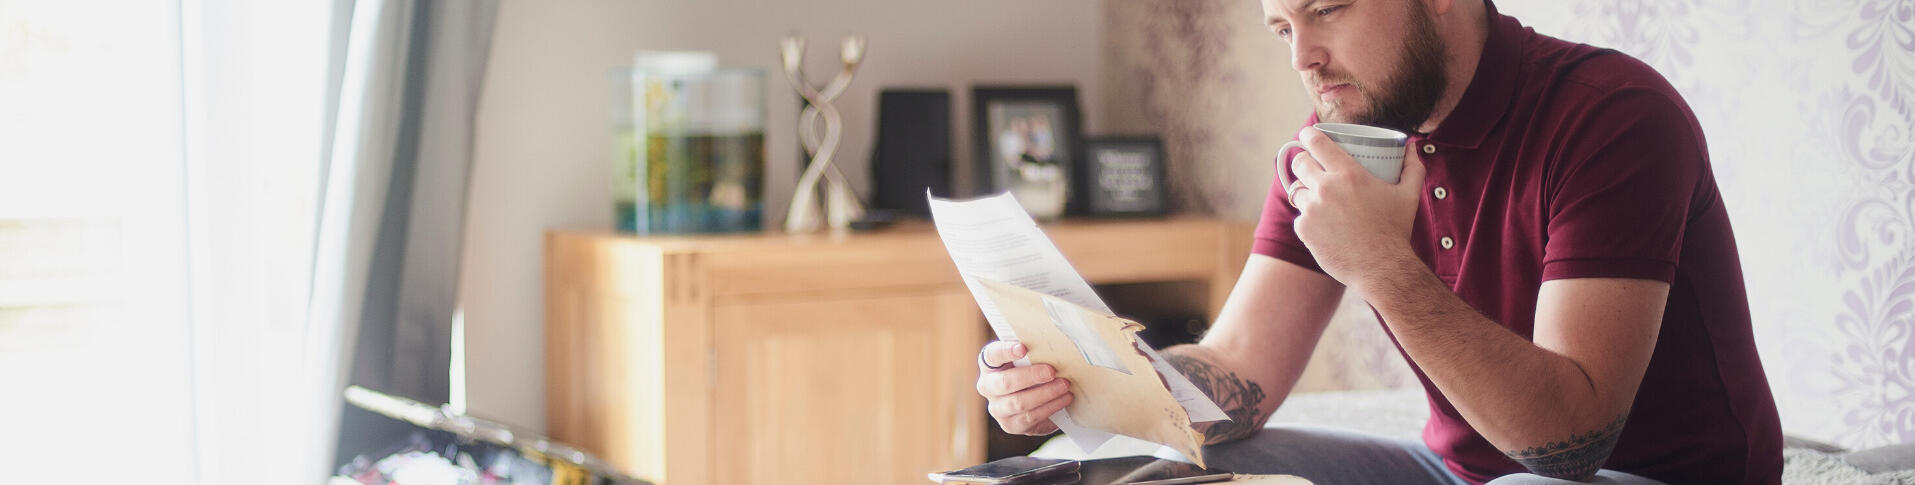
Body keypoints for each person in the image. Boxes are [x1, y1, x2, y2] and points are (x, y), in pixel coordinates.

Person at [973, 0, 1784, 483]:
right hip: (1458, 470)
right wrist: (1088, 378)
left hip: (1638, 476)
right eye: (1281, 27)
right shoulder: (1335, 142)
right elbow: (1243, 367)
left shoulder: (1613, 116)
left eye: (1327, 8)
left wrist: (1382, 267)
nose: (1303, 58)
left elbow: (1570, 442)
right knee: (1124, 472)